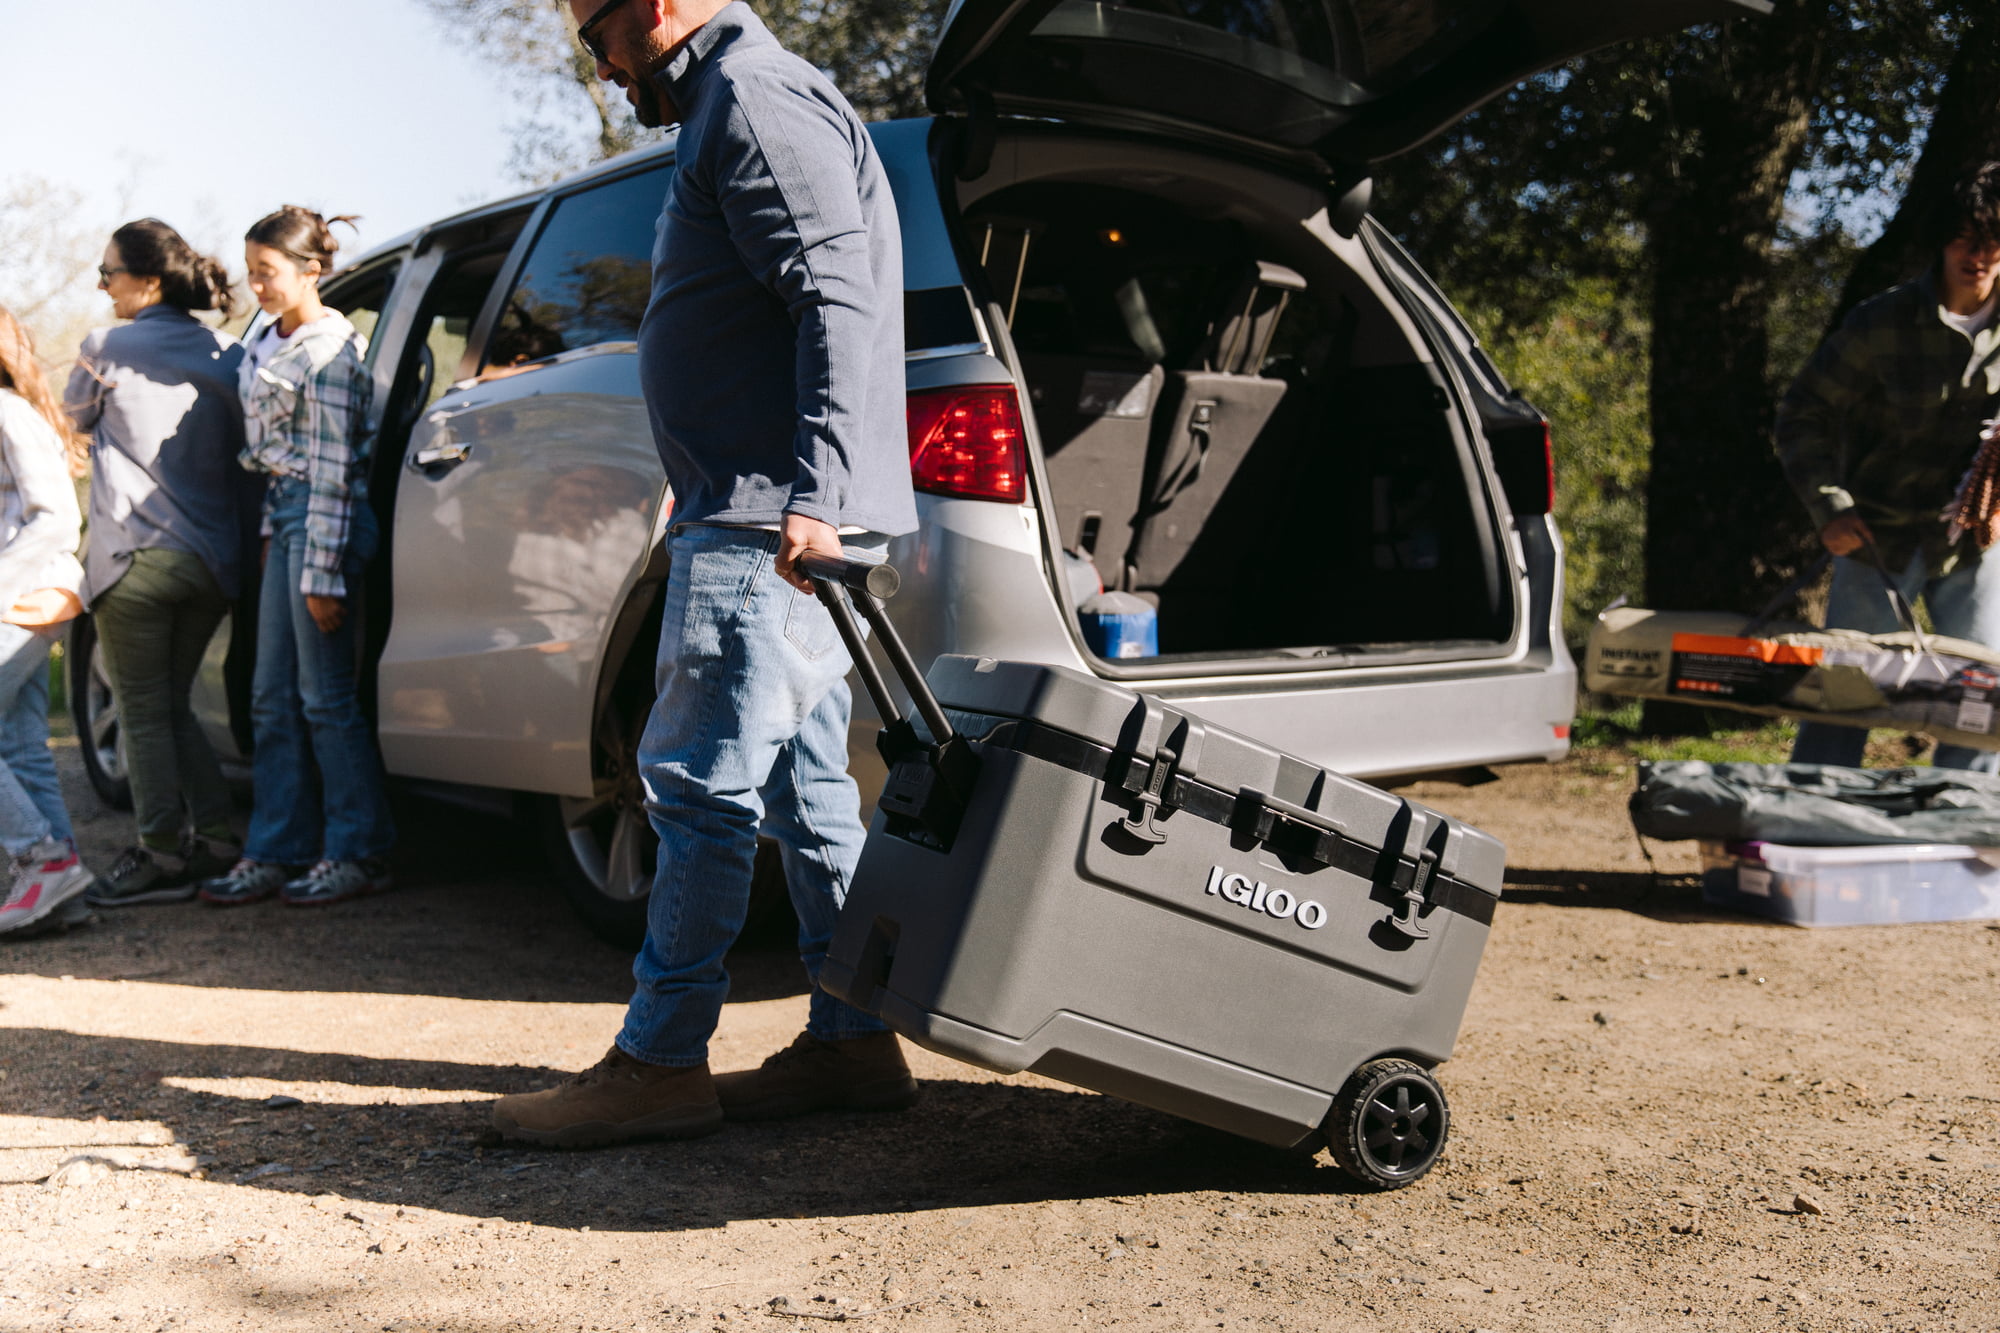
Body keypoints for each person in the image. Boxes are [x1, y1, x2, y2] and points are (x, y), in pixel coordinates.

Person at [491, 0, 918, 1146]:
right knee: (806, 790)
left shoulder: (754, 97)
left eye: (598, 28)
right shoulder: (743, 99)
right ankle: (850, 1038)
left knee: (692, 785)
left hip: (774, 524)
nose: (598, 58)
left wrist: (812, 493)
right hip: (759, 507)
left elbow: (834, 294)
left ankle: (661, 1059)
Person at [197, 206, 396, 908]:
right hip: (282, 516)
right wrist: (268, 539)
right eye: (251, 273)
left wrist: (323, 571)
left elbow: (339, 471)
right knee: (268, 696)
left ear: (313, 270)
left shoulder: (330, 351)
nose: (257, 286)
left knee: (325, 696)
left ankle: (359, 849)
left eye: (269, 273)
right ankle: (276, 847)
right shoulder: (268, 341)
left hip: (322, 517)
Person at [1777, 162, 2000, 772]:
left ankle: (1962, 837)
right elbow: (1802, 413)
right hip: (1876, 539)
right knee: (1844, 696)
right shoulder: (1883, 320)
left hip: (1975, 547)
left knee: (1983, 701)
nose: (1977, 254)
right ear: (1942, 240)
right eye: (1964, 236)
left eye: (1992, 240)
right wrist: (1831, 508)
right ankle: (1814, 828)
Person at [66, 219, 249, 908]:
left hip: (135, 558)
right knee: (172, 706)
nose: (102, 284)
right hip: (211, 564)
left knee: (140, 711)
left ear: (145, 280)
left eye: (107, 271)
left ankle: (161, 852)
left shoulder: (104, 347)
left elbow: (72, 426)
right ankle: (220, 839)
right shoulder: (229, 353)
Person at [0, 306, 94, 936]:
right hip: (28, 593)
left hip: (26, 593)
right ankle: (63, 890)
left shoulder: (5, 410)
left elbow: (58, 516)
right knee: (20, 745)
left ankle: (42, 857)